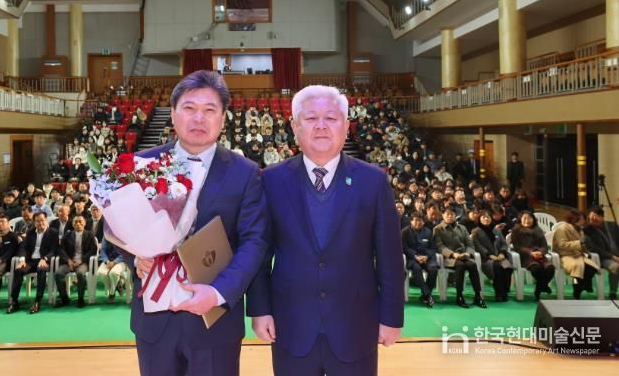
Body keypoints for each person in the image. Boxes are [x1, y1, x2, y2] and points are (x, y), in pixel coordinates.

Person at [249, 85, 404, 376]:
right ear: (294, 126)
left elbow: (390, 257)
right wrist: (260, 309)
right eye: (311, 118)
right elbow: (259, 253)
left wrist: (392, 316)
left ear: (346, 126)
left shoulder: (373, 181)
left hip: (356, 326)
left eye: (331, 118)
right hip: (290, 325)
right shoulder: (270, 180)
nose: (321, 126)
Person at [129, 71, 268, 376]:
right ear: (173, 113)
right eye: (189, 108)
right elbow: (119, 228)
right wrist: (135, 257)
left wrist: (218, 293)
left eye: (209, 110)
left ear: (223, 117)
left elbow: (254, 242)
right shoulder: (143, 164)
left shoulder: (246, 172)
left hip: (215, 322)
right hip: (155, 322)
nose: (199, 118)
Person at [433, 207, 487, 309]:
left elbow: (470, 244)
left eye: (452, 214)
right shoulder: (438, 229)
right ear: (443, 215)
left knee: (472, 265)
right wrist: (453, 254)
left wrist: (468, 253)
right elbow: (439, 246)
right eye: (447, 214)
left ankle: (478, 295)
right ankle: (459, 296)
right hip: (449, 258)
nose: (450, 216)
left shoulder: (462, 228)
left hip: (464, 255)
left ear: (455, 216)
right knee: (460, 266)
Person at [7, 212, 58, 314]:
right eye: (37, 221)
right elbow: (23, 246)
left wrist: (45, 258)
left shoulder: (53, 232)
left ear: (46, 220)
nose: (40, 223)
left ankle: (37, 300)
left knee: (41, 269)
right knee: (18, 270)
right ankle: (14, 301)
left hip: (44, 260)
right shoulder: (30, 232)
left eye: (42, 220)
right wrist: (22, 260)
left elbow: (54, 249)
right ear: (34, 222)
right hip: (30, 261)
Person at [553, 210, 600, 299]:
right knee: (578, 266)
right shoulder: (562, 229)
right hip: (565, 255)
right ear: (575, 218)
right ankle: (580, 287)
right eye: (582, 218)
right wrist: (578, 243)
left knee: (593, 267)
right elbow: (562, 245)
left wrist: (587, 252)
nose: (584, 221)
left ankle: (580, 286)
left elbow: (582, 245)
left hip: (578, 255)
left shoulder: (579, 229)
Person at [510, 211, 555, 300]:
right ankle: (543, 286)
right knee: (536, 269)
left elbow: (544, 245)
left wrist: (541, 252)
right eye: (525, 218)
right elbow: (517, 247)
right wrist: (531, 253)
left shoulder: (538, 229)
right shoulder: (516, 230)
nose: (527, 220)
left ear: (533, 219)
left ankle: (540, 287)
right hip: (525, 256)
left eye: (529, 218)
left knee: (551, 268)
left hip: (540, 256)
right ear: (520, 220)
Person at [55, 216, 96, 308]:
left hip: (83, 262)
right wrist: (68, 261)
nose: (78, 224)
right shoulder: (67, 235)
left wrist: (81, 260)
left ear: (84, 223)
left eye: (80, 222)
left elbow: (93, 250)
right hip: (69, 262)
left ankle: (80, 298)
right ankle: (64, 298)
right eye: (76, 222)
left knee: (80, 274)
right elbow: (61, 250)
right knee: (58, 274)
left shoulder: (89, 235)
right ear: (72, 224)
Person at [471, 211, 513, 302]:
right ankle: (499, 292)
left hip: (499, 256)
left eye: (488, 217)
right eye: (484, 217)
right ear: (479, 219)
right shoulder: (476, 231)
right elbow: (477, 246)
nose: (486, 219)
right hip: (485, 259)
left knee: (508, 267)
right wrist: (489, 255)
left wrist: (502, 253)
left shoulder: (496, 230)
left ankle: (505, 290)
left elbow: (503, 243)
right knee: (497, 267)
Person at [402, 213, 438, 308]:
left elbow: (433, 248)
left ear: (423, 222)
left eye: (420, 220)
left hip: (426, 258)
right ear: (411, 221)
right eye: (416, 220)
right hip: (412, 258)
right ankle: (427, 294)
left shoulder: (428, 232)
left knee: (434, 269)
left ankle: (425, 295)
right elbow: (404, 248)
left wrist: (426, 256)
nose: (418, 222)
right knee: (417, 268)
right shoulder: (405, 232)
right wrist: (415, 257)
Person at [583, 205, 619, 300]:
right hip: (603, 257)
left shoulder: (612, 226)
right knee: (616, 267)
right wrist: (612, 257)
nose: (592, 221)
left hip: (617, 255)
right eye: (591, 219)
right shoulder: (587, 230)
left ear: (602, 217)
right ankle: (613, 291)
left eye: (595, 218)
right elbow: (594, 248)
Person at [97, 237, 131, 303]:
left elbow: (125, 253)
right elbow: (103, 251)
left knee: (113, 273)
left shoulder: (123, 237)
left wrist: (114, 262)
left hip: (121, 261)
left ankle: (112, 293)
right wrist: (106, 261)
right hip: (108, 261)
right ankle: (117, 285)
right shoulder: (106, 236)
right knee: (100, 273)